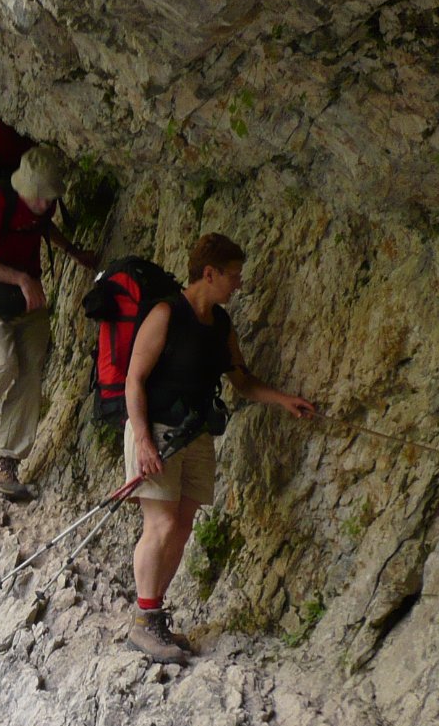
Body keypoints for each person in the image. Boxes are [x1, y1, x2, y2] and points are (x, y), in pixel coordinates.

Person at [122, 232, 315, 663]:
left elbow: (241, 381)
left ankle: (153, 618)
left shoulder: (220, 324)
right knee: (160, 524)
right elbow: (133, 380)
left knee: (183, 524)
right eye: (233, 275)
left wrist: (284, 400)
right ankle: (143, 623)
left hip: (195, 435)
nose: (239, 284)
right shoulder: (166, 313)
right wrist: (142, 440)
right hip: (156, 431)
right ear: (208, 273)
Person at [0, 144, 96, 500]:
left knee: (30, 372)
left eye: (51, 198)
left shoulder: (42, 204)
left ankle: (4, 461)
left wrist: (73, 251)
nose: (46, 205)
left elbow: (44, 227)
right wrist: (22, 279)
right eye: (41, 197)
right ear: (24, 186)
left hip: (23, 294)